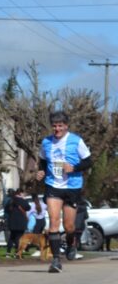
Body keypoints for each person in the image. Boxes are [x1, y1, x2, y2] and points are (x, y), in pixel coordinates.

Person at [35, 110, 92, 273]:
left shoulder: (76, 141)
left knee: (69, 226)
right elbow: (43, 162)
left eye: (60, 126)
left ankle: (71, 242)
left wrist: (74, 167)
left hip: (72, 186)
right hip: (53, 185)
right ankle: (55, 260)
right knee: (53, 222)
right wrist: (41, 171)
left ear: (66, 126)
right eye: (54, 126)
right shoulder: (46, 142)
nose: (57, 129)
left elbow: (88, 161)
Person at [4, 189, 30, 258]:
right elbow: (28, 208)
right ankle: (17, 253)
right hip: (21, 221)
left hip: (12, 221)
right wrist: (24, 200)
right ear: (20, 193)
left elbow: (6, 210)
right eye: (24, 193)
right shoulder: (22, 201)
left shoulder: (11, 200)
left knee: (11, 237)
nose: (24, 195)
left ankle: (8, 252)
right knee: (19, 238)